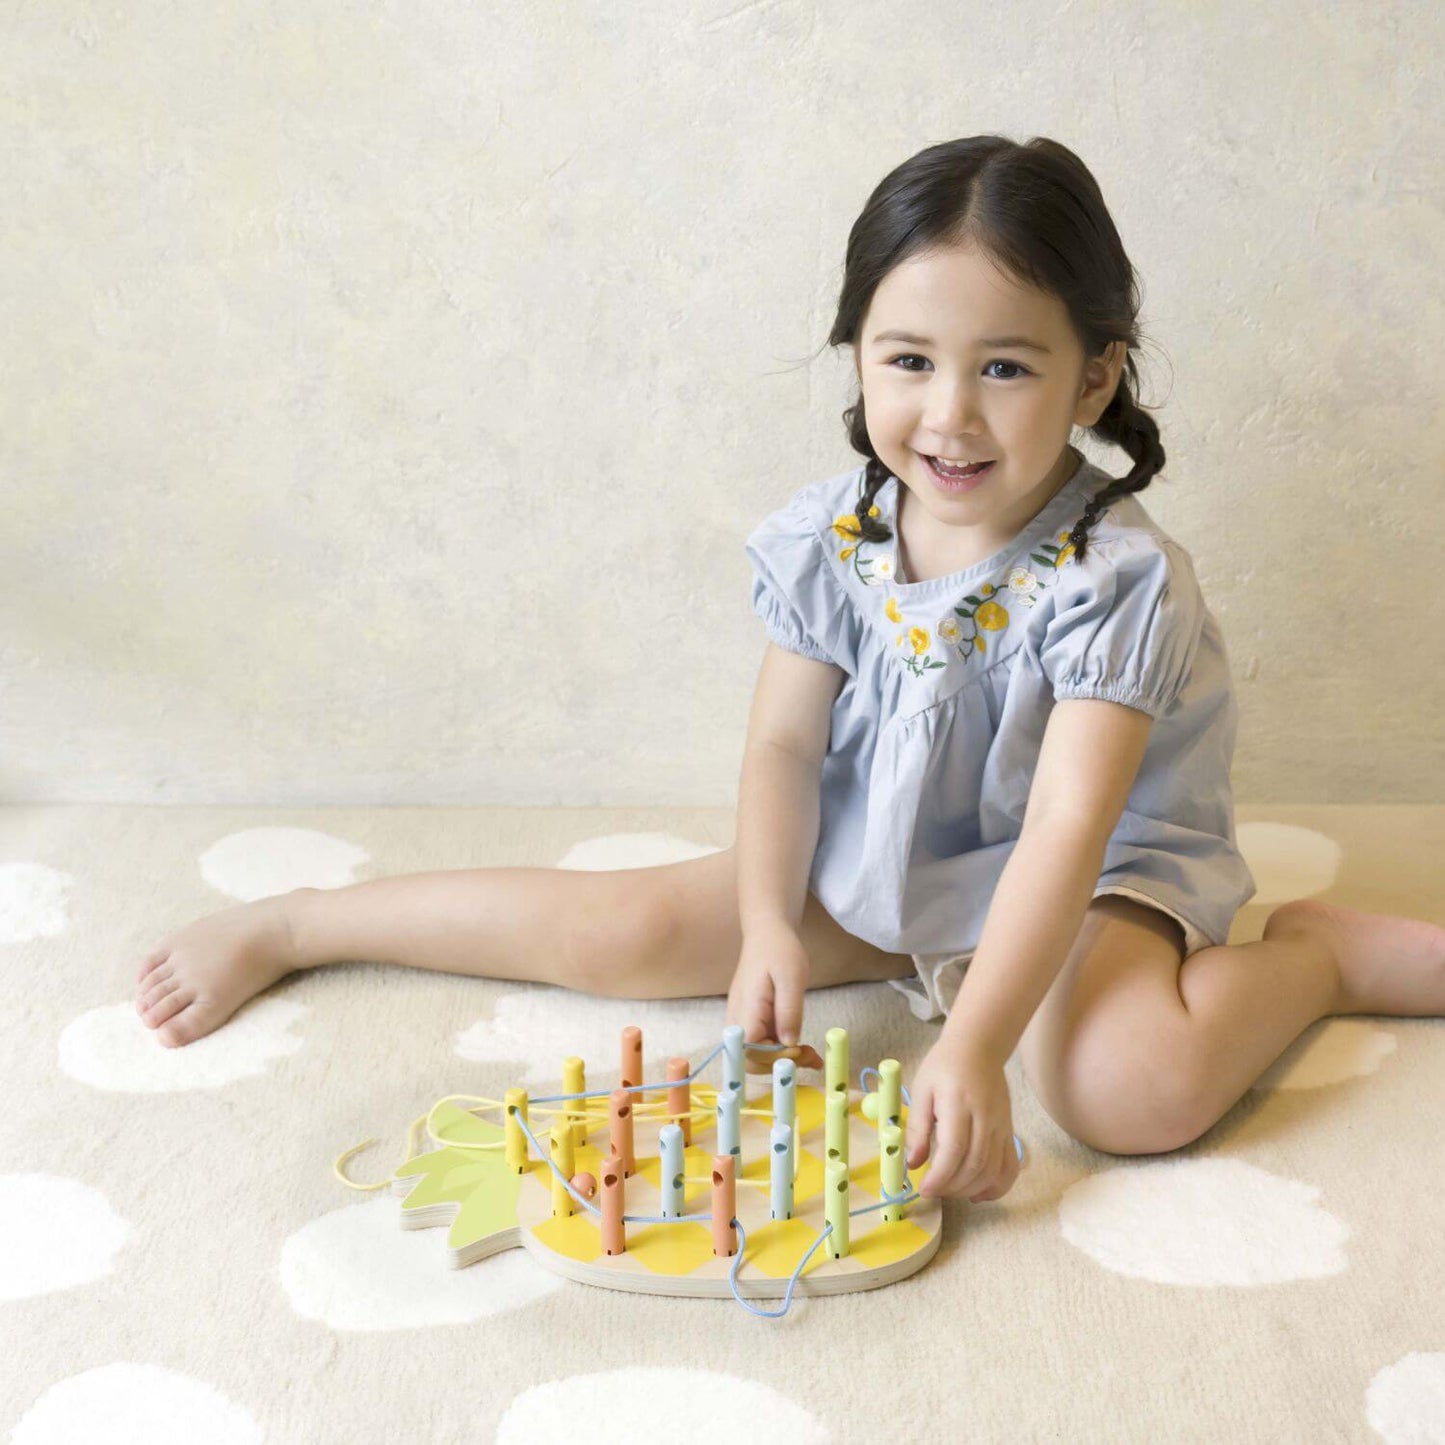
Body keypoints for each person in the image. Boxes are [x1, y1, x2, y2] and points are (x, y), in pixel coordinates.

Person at [134, 135, 1444, 1206]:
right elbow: (777, 750)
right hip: (896, 848)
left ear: (1093, 376)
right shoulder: (836, 533)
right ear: (857, 353)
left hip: (1085, 875)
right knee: (631, 928)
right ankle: (299, 922)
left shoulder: (1117, 575)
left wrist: (974, 1043)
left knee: (1126, 1092)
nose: (949, 414)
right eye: (908, 361)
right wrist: (767, 917)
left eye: (1004, 367)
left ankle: (1317, 961)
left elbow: (1064, 822)